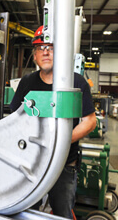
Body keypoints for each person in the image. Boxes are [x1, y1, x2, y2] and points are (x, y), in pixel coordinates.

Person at [10, 25, 97, 219]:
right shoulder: (27, 82)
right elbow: (14, 118)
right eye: (40, 48)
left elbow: (90, 122)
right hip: (30, 162)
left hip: (64, 163)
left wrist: (61, 141)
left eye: (51, 47)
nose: (46, 52)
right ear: (34, 56)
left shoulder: (77, 82)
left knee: (61, 212)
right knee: (25, 211)